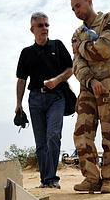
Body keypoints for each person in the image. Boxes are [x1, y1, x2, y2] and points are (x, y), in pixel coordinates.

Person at [70, 0, 110, 193]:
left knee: (109, 133)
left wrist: (83, 47)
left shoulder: (108, 19)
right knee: (81, 133)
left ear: (89, 1)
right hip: (88, 87)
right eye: (73, 8)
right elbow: (77, 65)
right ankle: (91, 178)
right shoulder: (77, 33)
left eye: (78, 5)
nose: (76, 11)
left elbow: (107, 48)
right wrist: (91, 80)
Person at [15, 12, 73, 189]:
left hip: (57, 97)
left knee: (53, 135)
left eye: (47, 25)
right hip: (35, 100)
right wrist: (18, 104)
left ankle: (52, 178)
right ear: (32, 29)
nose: (44, 28)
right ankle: (45, 180)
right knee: (40, 142)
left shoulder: (57, 45)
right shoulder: (26, 53)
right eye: (40, 25)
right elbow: (21, 79)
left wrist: (56, 80)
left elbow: (71, 68)